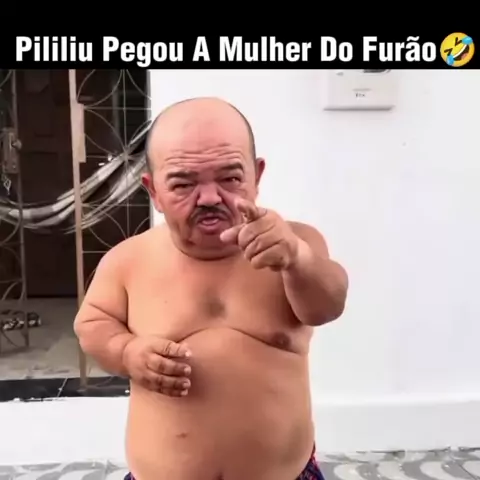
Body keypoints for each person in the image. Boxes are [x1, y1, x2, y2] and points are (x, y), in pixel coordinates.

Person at [74, 97, 348, 480]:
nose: (209, 198)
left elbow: (328, 306)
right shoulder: (128, 261)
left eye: (230, 178)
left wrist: (298, 259)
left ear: (256, 176)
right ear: (153, 191)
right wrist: (126, 351)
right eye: (183, 183)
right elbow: (92, 324)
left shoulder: (296, 243)